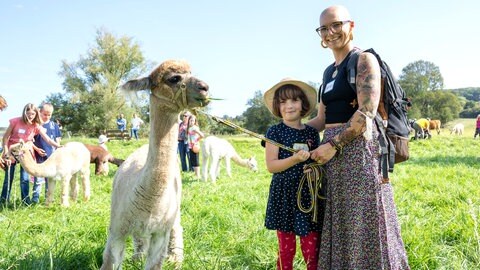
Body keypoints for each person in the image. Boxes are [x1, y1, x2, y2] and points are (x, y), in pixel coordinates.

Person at [308, 5, 410, 269]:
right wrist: (285, 129)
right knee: (340, 218)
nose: (330, 33)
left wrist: (332, 144)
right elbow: (321, 119)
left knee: (365, 219)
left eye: (336, 25)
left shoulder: (363, 60)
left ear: (351, 26)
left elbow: (366, 112)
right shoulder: (328, 72)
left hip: (358, 151)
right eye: (323, 28)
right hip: (332, 157)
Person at [263, 78, 321, 270]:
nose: (289, 106)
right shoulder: (274, 132)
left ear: (303, 104)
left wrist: (313, 168)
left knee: (312, 249)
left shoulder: (312, 133)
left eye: (294, 100)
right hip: (285, 196)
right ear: (277, 107)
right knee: (286, 250)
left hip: (307, 197)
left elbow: (318, 161)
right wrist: (295, 159)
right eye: (283, 101)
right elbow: (271, 166)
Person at [1, 103, 62, 205]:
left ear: (36, 114)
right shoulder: (15, 121)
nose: (30, 116)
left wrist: (59, 146)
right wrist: (6, 153)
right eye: (28, 113)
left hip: (26, 154)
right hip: (12, 151)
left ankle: (25, 201)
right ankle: (3, 200)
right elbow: (5, 138)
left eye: (33, 114)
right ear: (24, 112)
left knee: (25, 179)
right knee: (8, 178)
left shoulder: (35, 125)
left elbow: (47, 139)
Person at [31, 103, 62, 204]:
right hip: (38, 156)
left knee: (50, 180)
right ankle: (35, 200)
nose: (47, 117)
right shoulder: (35, 125)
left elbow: (58, 139)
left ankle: (48, 199)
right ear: (39, 112)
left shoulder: (54, 126)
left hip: (51, 157)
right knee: (38, 180)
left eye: (49, 115)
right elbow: (30, 140)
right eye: (45, 114)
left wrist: (58, 150)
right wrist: (36, 150)